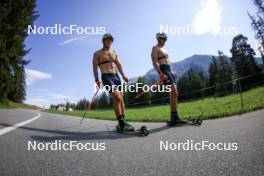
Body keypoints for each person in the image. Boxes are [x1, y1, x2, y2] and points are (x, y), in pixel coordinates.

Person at [92, 33, 134, 131]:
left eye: (111, 40)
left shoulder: (114, 52)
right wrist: (97, 80)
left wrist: (123, 75)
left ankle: (123, 122)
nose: (109, 41)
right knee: (117, 97)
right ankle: (121, 123)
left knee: (121, 99)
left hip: (116, 77)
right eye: (107, 39)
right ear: (103, 41)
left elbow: (118, 64)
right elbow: (94, 68)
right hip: (106, 77)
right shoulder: (97, 53)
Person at [151, 32, 185, 125]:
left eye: (166, 39)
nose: (165, 41)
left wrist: (172, 71)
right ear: (159, 39)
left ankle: (174, 117)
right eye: (163, 39)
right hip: (163, 70)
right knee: (173, 91)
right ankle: (175, 118)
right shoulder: (155, 48)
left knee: (175, 93)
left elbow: (168, 62)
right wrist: (161, 73)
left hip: (169, 70)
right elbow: (154, 62)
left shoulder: (164, 50)